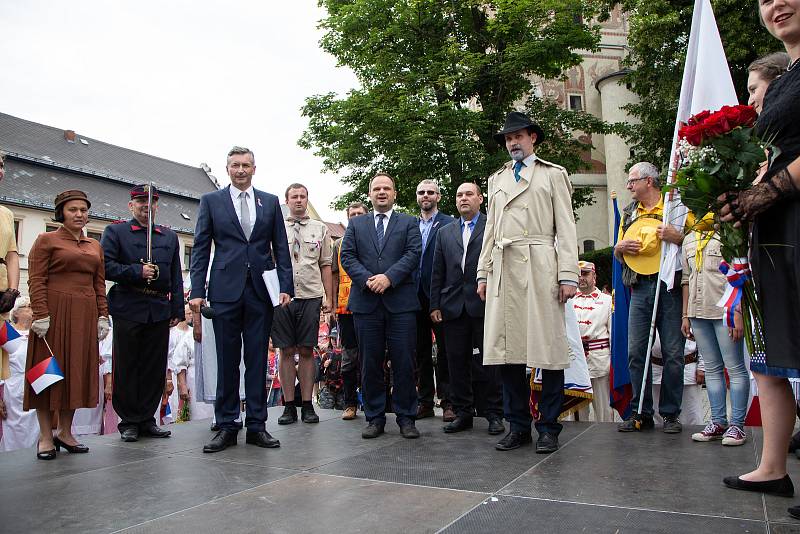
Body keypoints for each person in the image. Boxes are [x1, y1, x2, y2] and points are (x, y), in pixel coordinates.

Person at [718, 1, 800, 513]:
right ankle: (772, 467)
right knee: (770, 351)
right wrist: (743, 196)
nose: (776, 5)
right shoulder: (788, 76)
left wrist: (771, 190)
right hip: (776, 227)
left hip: (793, 215)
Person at [477, 111, 579, 453]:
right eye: (508, 138)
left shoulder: (553, 175)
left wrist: (567, 274)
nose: (512, 143)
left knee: (547, 350)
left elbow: (565, 228)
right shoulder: (497, 180)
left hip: (540, 266)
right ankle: (517, 424)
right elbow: (490, 230)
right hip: (504, 268)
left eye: (518, 136)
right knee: (508, 353)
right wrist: (483, 272)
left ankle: (548, 426)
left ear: (532, 137)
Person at [190, 146, 292, 453]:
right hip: (224, 291)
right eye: (235, 165)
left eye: (246, 165)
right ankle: (227, 425)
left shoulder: (271, 202)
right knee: (227, 361)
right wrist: (196, 291)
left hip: (260, 291)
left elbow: (281, 247)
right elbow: (200, 247)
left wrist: (285, 285)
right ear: (227, 168)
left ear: (254, 168)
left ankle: (257, 425)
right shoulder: (211, 201)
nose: (241, 170)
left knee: (258, 359)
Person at [24, 190, 110, 460]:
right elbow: (36, 279)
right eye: (73, 209)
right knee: (48, 373)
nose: (79, 214)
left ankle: (65, 431)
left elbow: (99, 283)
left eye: (83, 210)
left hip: (84, 314)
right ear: (61, 212)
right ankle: (46, 437)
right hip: (54, 312)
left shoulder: (94, 246)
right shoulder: (46, 240)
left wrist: (102, 315)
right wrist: (40, 313)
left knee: (76, 372)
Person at [614, 162, 697, 434]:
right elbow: (619, 250)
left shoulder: (676, 208)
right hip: (640, 287)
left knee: (673, 353)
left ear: (649, 181)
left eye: (632, 180)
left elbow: (697, 242)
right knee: (636, 352)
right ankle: (641, 412)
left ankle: (671, 414)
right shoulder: (628, 213)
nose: (629, 186)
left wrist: (678, 236)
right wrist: (619, 248)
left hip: (670, 287)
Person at [340, 172, 422, 439]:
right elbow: (347, 256)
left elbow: (413, 253)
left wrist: (389, 278)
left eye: (387, 188)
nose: (382, 192)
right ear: (370, 193)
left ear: (395, 194)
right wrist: (368, 280)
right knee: (370, 363)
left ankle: (407, 417)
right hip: (367, 303)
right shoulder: (356, 224)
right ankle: (374, 417)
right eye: (377, 189)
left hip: (401, 303)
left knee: (404, 362)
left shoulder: (409, 222)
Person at [101, 184, 184, 442]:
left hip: (158, 309)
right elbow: (105, 267)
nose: (145, 207)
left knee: (153, 366)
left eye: (151, 203)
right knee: (127, 366)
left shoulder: (168, 237)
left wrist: (177, 308)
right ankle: (129, 420)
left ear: (156, 206)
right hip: (128, 306)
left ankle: (148, 418)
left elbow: (176, 276)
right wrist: (136, 272)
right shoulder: (115, 232)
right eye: (140, 202)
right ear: (131, 205)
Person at [430, 182, 504, 435]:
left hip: (484, 303)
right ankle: (463, 413)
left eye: (469, 194)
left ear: (480, 199)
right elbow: (437, 271)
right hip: (452, 306)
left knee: (490, 361)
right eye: (459, 195)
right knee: (456, 361)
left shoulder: (492, 226)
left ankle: (494, 413)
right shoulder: (445, 232)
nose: (464, 198)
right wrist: (434, 304)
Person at [680, 229, 748, 445]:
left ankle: (737, 425)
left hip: (723, 312)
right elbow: (686, 279)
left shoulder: (729, 233)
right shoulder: (689, 238)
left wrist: (738, 312)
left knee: (734, 367)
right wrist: (685, 315)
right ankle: (718, 422)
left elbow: (741, 275)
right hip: (698, 311)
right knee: (711, 368)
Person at [273, 183, 333, 425]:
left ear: (307, 199)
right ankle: (288, 405)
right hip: (282, 297)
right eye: (294, 196)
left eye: (303, 196)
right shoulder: (275, 228)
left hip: (310, 294)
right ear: (286, 200)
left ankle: (307, 404)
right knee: (285, 350)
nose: (299, 200)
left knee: (307, 350)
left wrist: (327, 297)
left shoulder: (320, 228)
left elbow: (326, 264)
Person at [414, 180, 455, 421]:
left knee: (446, 352)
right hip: (414, 298)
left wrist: (441, 298)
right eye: (422, 192)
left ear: (438, 197)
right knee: (420, 352)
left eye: (431, 192)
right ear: (417, 197)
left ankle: (448, 402)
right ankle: (425, 402)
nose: (426, 195)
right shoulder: (409, 224)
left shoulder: (449, 224)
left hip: (440, 298)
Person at [331, 202, 368, 420]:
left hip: (369, 306)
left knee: (371, 357)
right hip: (345, 307)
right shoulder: (339, 243)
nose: (355, 217)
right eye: (352, 214)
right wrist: (332, 302)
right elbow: (334, 274)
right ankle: (350, 403)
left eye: (359, 214)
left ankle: (373, 402)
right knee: (348, 358)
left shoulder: (373, 240)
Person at [573, 261, 615, 423]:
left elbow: (613, 335)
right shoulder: (568, 300)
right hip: (575, 363)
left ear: (594, 276)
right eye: (578, 274)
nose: (581, 278)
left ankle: (606, 443)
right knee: (576, 413)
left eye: (585, 274)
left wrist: (613, 364)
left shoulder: (607, 301)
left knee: (604, 410)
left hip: (599, 362)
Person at [0, 297, 39, 451]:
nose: (31, 308)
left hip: (36, 387)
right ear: (15, 313)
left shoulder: (38, 333)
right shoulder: (8, 331)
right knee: (13, 433)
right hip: (12, 391)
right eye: (27, 306)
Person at [0, 151, 22, 382]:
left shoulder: (6, 213)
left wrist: (12, 290)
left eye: (1, 165)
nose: (0, 170)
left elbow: (12, 255)